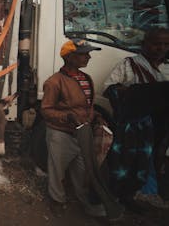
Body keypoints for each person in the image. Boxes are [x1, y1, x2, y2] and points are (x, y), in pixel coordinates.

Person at [41, 39, 111, 218]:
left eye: (88, 54)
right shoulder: (54, 82)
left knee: (83, 169)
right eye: (83, 54)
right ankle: (57, 200)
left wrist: (95, 117)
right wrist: (67, 117)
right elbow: (46, 111)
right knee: (57, 170)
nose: (88, 57)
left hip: (83, 132)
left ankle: (83, 202)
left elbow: (89, 105)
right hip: (61, 133)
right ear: (70, 57)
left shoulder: (86, 78)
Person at [103, 28, 169, 205]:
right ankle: (124, 196)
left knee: (153, 159)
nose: (161, 48)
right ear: (144, 44)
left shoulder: (166, 67)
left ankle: (145, 192)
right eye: (156, 44)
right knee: (128, 162)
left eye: (165, 44)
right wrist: (132, 93)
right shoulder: (129, 65)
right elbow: (109, 89)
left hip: (159, 126)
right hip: (135, 127)